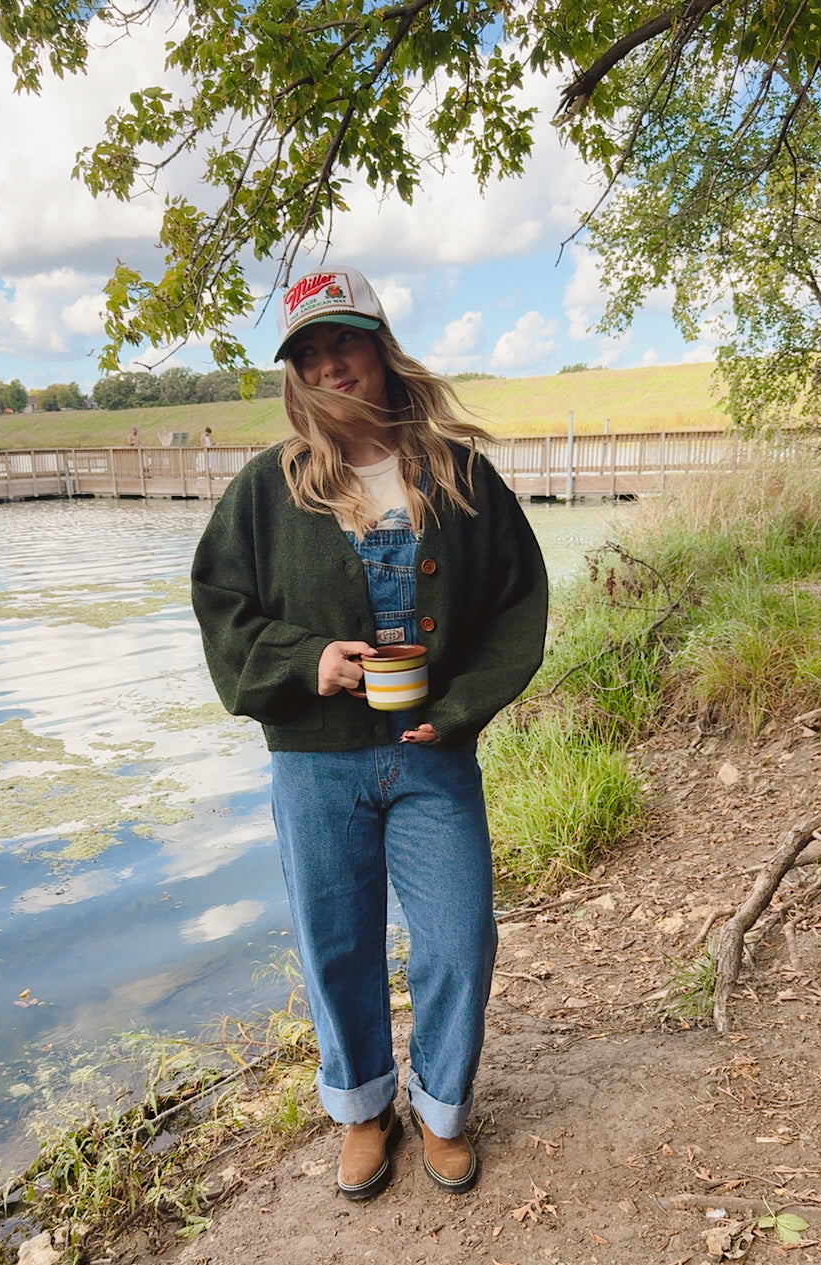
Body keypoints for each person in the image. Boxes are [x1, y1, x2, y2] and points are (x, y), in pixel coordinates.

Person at [191, 265, 548, 1201]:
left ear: (382, 350)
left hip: (434, 755)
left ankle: (440, 1109)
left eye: (342, 342)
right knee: (336, 942)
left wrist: (463, 703)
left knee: (459, 935)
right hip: (314, 763)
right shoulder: (269, 489)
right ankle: (360, 1110)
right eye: (308, 352)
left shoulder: (461, 475)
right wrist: (308, 663)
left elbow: (519, 603)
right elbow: (221, 607)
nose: (327, 365)